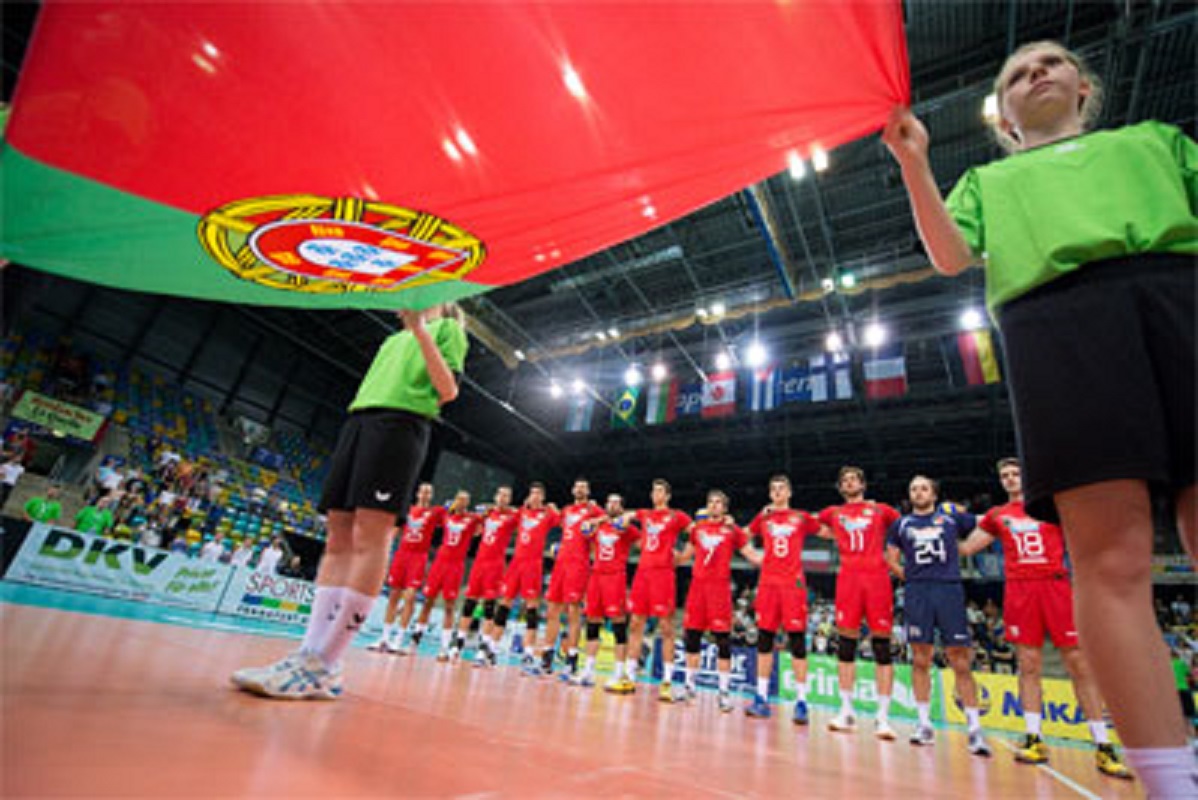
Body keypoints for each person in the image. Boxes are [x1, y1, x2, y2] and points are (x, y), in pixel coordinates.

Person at [884, 40, 1195, 794]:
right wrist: (913, 161)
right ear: (1005, 117)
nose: (1037, 74)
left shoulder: (1155, 143)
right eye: (1018, 74)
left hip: (1181, 293)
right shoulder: (990, 179)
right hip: (1054, 320)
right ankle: (1173, 784)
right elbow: (951, 255)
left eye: (1051, 63)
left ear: (1084, 86)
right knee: (1112, 556)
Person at [230, 303, 467, 699]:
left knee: (370, 537)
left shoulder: (448, 328)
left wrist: (421, 330)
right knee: (337, 537)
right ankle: (311, 655)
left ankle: (326, 661)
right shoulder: (392, 339)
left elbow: (447, 390)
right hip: (360, 421)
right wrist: (409, 329)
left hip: (400, 425)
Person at [960, 458, 1131, 778]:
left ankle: (1103, 745)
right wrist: (945, 523)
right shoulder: (998, 515)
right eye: (1005, 476)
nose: (1010, 479)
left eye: (1015, 474)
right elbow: (967, 548)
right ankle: (1035, 738)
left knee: (1079, 663)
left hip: (1055, 584)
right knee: (1028, 664)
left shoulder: (1052, 506)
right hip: (1020, 590)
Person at [884, 475, 991, 757]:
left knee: (960, 658)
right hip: (918, 592)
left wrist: (968, 548)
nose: (918, 493)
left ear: (933, 493)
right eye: (913, 489)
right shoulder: (901, 524)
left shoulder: (950, 515)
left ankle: (975, 729)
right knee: (920, 657)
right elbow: (890, 559)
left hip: (949, 590)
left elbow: (987, 525)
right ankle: (923, 724)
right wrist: (911, 579)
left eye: (923, 488)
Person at [817, 466, 901, 739]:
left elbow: (905, 530)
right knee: (846, 644)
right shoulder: (833, 513)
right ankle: (846, 710)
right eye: (844, 481)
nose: (849, 483)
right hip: (848, 580)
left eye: (854, 479)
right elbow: (806, 524)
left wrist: (892, 560)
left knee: (882, 645)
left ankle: (883, 717)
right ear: (840, 488)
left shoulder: (881, 510)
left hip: (877, 579)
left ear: (863, 484)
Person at [673, 490, 762, 711]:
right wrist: (664, 551)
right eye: (711, 502)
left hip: (719, 589)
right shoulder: (697, 530)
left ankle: (724, 692)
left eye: (718, 503)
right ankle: (689, 687)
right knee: (691, 637)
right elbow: (685, 556)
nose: (714, 505)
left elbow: (751, 555)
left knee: (723, 640)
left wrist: (776, 561)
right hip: (697, 588)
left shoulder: (733, 530)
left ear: (725, 508)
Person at [744, 475, 822, 724]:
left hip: (793, 585)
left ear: (789, 492)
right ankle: (761, 698)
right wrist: (755, 558)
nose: (777, 493)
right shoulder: (764, 517)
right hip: (768, 584)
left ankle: (801, 703)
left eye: (782, 489)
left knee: (797, 641)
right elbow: (741, 536)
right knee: (764, 639)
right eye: (773, 489)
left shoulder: (800, 517)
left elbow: (828, 532)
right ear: (770, 494)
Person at [625, 479, 692, 702]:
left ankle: (666, 682)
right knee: (635, 624)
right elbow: (627, 515)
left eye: (660, 490)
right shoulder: (645, 515)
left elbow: (696, 533)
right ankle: (629, 677)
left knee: (666, 628)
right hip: (642, 573)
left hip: (663, 574)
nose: (656, 494)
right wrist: (624, 517)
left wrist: (683, 556)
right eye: (653, 490)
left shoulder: (677, 516)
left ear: (668, 495)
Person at [484, 483, 559, 668]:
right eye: (532, 493)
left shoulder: (547, 514)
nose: (534, 496)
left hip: (533, 565)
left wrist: (553, 507)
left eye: (538, 494)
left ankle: (528, 653)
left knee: (532, 609)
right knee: (504, 604)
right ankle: (491, 648)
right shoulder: (520, 512)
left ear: (542, 497)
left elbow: (561, 521)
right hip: (516, 563)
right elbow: (503, 513)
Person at [535, 478, 604, 678]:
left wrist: (596, 518)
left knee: (574, 612)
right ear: (573, 490)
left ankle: (571, 660)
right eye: (577, 487)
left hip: (579, 565)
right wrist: (552, 509)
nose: (580, 489)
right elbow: (561, 524)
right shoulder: (566, 511)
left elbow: (610, 518)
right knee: (552, 610)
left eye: (584, 487)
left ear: (588, 491)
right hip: (560, 564)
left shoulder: (592, 510)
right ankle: (546, 658)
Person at [571, 494, 640, 692]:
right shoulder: (598, 526)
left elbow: (643, 544)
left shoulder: (627, 529)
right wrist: (600, 518)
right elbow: (583, 529)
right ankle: (588, 671)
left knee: (618, 624)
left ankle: (619, 673)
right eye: (610, 502)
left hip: (615, 577)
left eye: (617, 502)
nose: (613, 505)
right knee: (592, 623)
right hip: (596, 576)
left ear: (622, 507)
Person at [368, 482, 446, 654]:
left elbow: (452, 520)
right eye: (423, 491)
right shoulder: (407, 510)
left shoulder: (435, 513)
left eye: (428, 492)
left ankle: (399, 638)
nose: (425, 494)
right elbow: (395, 530)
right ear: (418, 493)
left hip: (418, 557)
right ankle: (384, 638)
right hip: (402, 554)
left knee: (409, 597)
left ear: (431, 495)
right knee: (393, 597)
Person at [412, 491, 481, 661]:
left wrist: (484, 512)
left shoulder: (472, 519)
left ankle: (444, 648)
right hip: (439, 563)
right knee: (428, 602)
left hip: (456, 566)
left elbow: (486, 521)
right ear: (455, 500)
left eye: (466, 500)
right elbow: (430, 513)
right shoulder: (444, 515)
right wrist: (445, 506)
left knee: (449, 606)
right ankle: (414, 642)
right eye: (460, 499)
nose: (462, 503)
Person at [452, 486, 518, 661]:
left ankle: (484, 647)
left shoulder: (512, 517)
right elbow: (465, 519)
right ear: (496, 496)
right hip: (479, 562)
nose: (503, 498)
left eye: (507, 496)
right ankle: (457, 645)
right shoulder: (486, 514)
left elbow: (525, 516)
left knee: (490, 607)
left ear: (510, 499)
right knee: (469, 604)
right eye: (501, 495)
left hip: (495, 565)